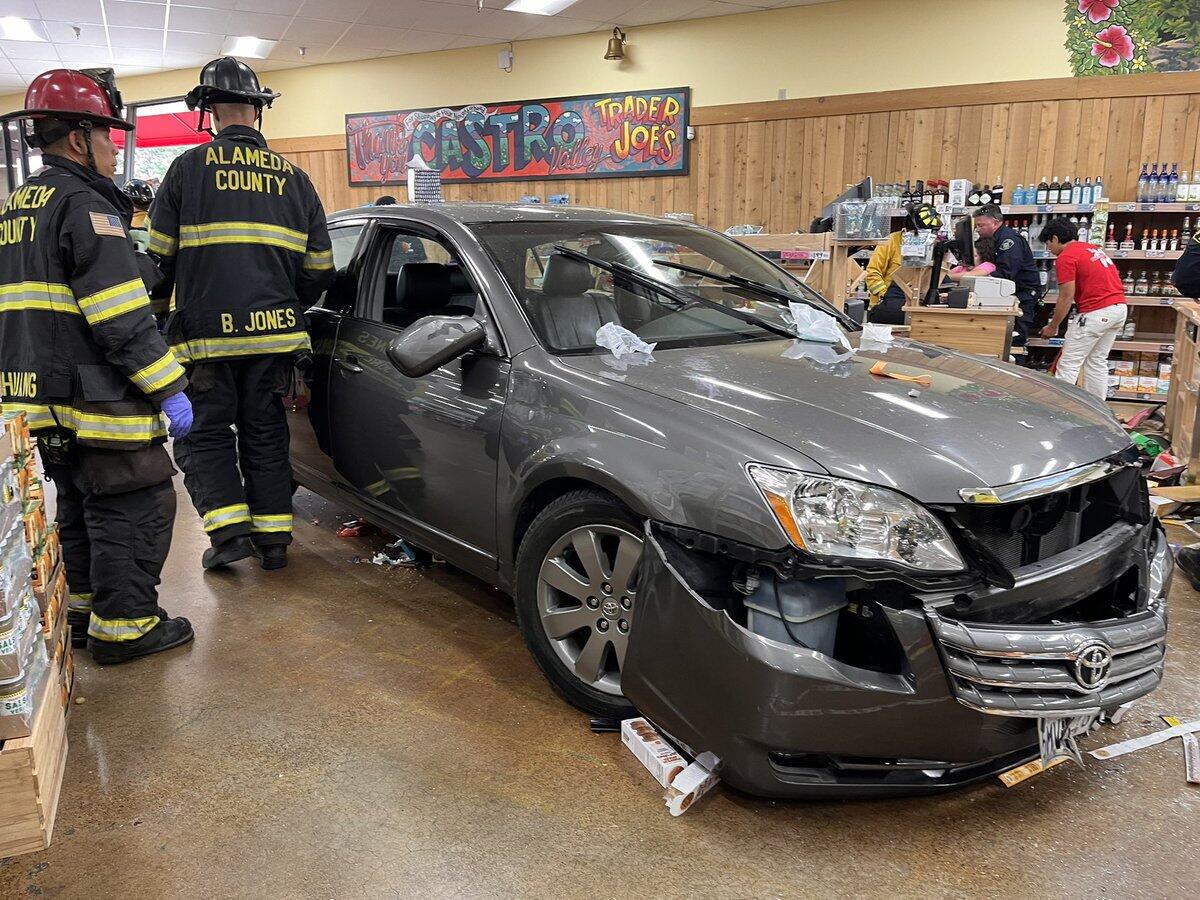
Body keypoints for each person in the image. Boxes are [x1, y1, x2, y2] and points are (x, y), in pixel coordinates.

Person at [0, 69, 194, 664]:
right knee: (137, 501)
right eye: (109, 137)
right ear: (81, 138)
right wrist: (170, 388)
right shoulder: (86, 207)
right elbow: (120, 318)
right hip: (95, 395)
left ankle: (82, 615)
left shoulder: (19, 204)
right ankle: (126, 627)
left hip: (39, 398)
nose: (115, 149)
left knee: (81, 504)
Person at [147, 57, 333, 571]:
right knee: (266, 432)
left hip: (205, 340)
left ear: (208, 111)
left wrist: (159, 324)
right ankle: (274, 542)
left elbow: (158, 260)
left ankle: (229, 535)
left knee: (206, 436)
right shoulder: (296, 179)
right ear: (258, 112)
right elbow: (320, 268)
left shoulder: (187, 170)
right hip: (274, 339)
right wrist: (281, 302)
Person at [1037, 217, 1127, 400]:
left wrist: (1053, 326)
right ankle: (1096, 410)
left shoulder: (1067, 256)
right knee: (1096, 362)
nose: (1049, 249)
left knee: (1069, 363)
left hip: (1096, 312)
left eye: (1048, 244)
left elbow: (1066, 296)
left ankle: (1060, 409)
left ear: (1055, 238)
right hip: (1119, 309)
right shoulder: (1091, 248)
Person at [863, 202, 942, 325]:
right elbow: (872, 273)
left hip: (916, 304)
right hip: (886, 304)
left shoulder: (932, 246)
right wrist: (884, 295)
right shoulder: (890, 241)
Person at [973, 204, 1041, 343]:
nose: (978, 229)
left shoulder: (1009, 240)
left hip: (1023, 295)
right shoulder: (995, 238)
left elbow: (1006, 272)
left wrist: (979, 279)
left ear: (996, 222)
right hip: (1010, 293)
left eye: (981, 225)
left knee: (1014, 341)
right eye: (977, 226)